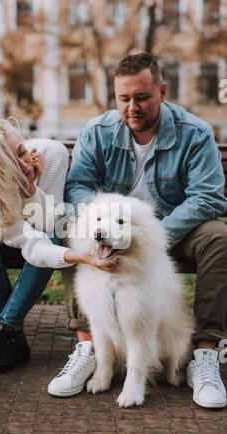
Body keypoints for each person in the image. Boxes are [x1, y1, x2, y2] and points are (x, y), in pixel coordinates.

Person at [48, 52, 227, 409]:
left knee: (220, 237)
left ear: (162, 90)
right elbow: (79, 186)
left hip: (172, 229)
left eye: (143, 97)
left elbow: (208, 197)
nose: (133, 107)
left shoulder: (195, 133)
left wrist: (152, 234)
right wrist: (102, 219)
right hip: (111, 235)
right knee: (68, 230)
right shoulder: (97, 132)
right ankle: (89, 346)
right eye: (124, 98)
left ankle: (205, 354)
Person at [0, 118, 117, 374]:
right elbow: (25, 239)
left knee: (51, 237)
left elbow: (49, 224)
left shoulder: (52, 155)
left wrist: (30, 188)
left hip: (44, 231)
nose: (24, 164)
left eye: (21, 152)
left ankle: (3, 335)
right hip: (15, 234)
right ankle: (11, 337)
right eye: (10, 164)